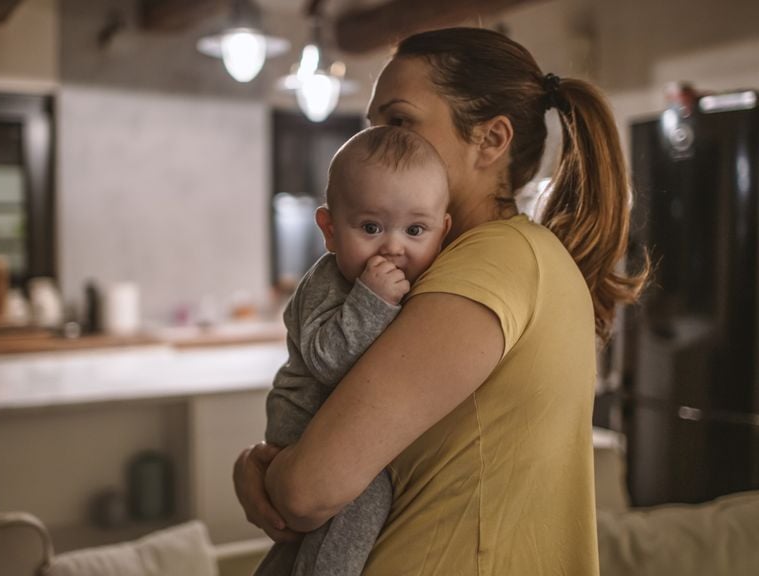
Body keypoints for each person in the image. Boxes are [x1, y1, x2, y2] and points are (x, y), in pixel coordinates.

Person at [235, 27, 649, 575]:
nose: (380, 142)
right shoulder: (485, 259)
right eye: (374, 126)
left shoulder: (491, 264)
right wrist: (257, 462)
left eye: (400, 121)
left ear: (491, 140)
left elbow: (309, 490)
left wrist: (263, 471)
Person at [256, 125, 452, 576]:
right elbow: (327, 361)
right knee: (366, 494)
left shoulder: (425, 283)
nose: (394, 246)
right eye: (370, 227)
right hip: (305, 424)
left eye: (415, 229)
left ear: (443, 232)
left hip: (333, 424)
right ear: (328, 230)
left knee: (300, 547)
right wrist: (372, 300)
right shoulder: (329, 283)